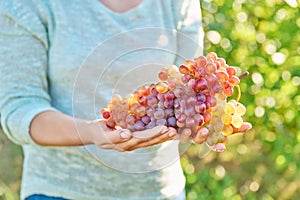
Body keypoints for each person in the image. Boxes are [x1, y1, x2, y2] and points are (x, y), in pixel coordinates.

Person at [0, 0, 251, 199]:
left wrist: (197, 120)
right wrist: (89, 132)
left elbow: (186, 90)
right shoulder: (29, 4)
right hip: (60, 192)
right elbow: (20, 108)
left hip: (158, 191)